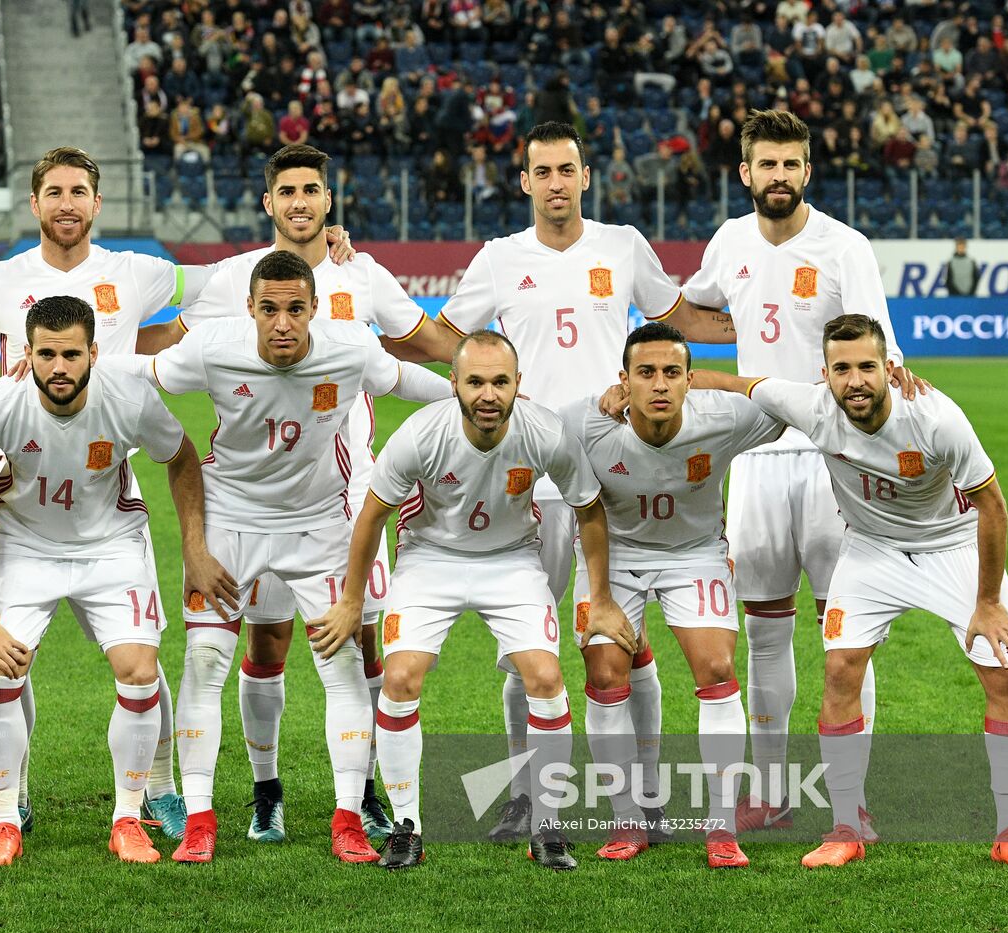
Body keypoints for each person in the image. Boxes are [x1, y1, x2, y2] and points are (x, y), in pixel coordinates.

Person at [0, 146, 352, 843]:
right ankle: (12, 803)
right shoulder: (2, 280)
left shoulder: (137, 272)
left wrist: (315, 245)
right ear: (35, 204)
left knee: (140, 660)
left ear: (98, 203)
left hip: (107, 478)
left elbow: (223, 278)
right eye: (54, 192)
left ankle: (159, 792)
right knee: (7, 659)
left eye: (79, 192)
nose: (67, 204)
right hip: (23, 488)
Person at [136, 144, 458, 843]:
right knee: (263, 644)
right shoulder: (231, 281)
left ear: (328, 199)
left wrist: (485, 383)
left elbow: (418, 351)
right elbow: (162, 354)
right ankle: (262, 793)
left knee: (358, 645)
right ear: (269, 202)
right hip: (242, 503)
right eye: (287, 191)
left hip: (344, 493)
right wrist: (73, 357)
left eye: (312, 189)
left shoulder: (359, 277)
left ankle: (362, 799)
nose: (300, 202)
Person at [693, 314, 1008, 872]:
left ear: (889, 367)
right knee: (840, 669)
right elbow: (734, 383)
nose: (855, 380)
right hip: (871, 550)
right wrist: (646, 387)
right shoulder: (811, 406)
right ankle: (846, 827)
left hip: (952, 547)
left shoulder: (935, 417)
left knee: (1004, 672)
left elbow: (994, 508)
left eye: (867, 367)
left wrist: (987, 603)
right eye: (842, 369)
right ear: (825, 374)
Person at [436, 122, 698, 840]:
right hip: (526, 482)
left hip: (613, 479)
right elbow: (447, 340)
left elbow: (677, 323)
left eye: (567, 170)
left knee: (627, 642)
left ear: (586, 177)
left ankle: (645, 794)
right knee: (527, 652)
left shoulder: (624, 246)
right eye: (543, 171)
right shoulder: (499, 258)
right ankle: (525, 794)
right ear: (525, 182)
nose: (556, 183)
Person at [663, 109, 921, 833]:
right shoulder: (729, 241)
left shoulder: (845, 246)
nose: (779, 176)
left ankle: (850, 801)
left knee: (847, 634)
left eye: (790, 164)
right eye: (766, 164)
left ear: (808, 169)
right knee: (765, 632)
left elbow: (879, 350)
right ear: (745, 172)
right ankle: (772, 791)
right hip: (753, 458)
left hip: (835, 457)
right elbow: (694, 311)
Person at [306, 330, 630, 872]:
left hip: (512, 560)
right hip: (430, 560)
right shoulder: (421, 433)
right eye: (475, 382)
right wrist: (351, 601)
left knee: (546, 678)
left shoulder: (544, 431)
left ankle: (547, 827)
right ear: (453, 382)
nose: (488, 395)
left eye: (500, 382)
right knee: (400, 678)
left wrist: (600, 597)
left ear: (518, 384)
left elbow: (589, 508)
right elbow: (372, 516)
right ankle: (407, 828)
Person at [0, 297, 229, 866]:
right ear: (28, 353)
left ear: (94, 353)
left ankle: (127, 818)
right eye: (47, 355)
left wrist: (195, 548)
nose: (59, 368)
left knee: (139, 670)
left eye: (72, 355)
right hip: (23, 543)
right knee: (1, 670)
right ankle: (5, 820)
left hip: (111, 543)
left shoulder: (128, 398)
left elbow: (181, 457)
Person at [561, 322, 787, 868]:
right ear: (624, 381)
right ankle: (628, 818)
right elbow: (518, 430)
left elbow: (789, 404)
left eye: (671, 373)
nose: (659, 384)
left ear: (689, 379)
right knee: (605, 675)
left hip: (695, 554)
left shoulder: (724, 417)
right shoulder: (585, 423)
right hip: (614, 557)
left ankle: (721, 827)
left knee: (717, 668)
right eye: (645, 373)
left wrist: (723, 381)